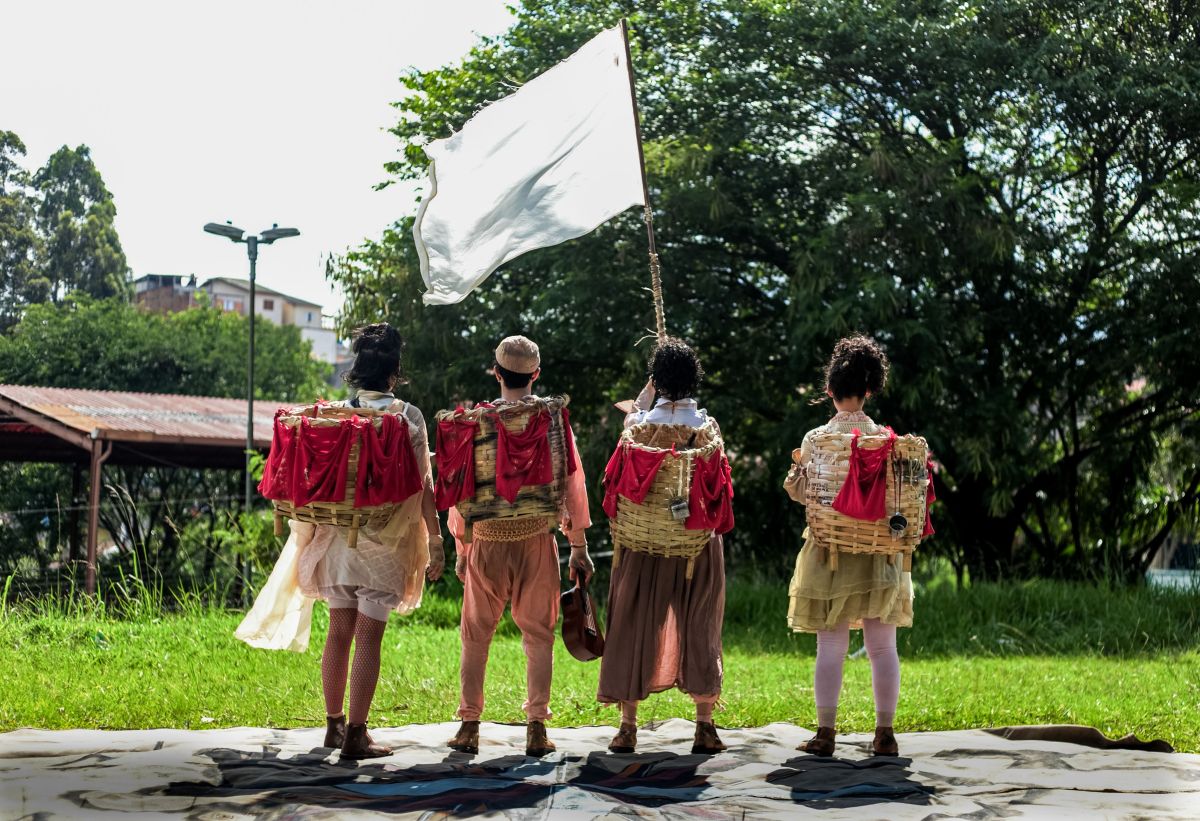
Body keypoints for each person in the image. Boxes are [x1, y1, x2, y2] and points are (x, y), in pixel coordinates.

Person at [295, 323, 445, 759]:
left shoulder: (338, 413)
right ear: (395, 370)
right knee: (369, 637)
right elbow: (423, 484)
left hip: (338, 540)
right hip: (384, 542)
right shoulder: (406, 416)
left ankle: (333, 727)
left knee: (338, 632)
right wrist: (434, 538)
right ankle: (358, 735)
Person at [445, 335, 594, 758]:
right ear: (536, 375)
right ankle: (536, 728)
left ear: (496, 374)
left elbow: (461, 486)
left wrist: (460, 546)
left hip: (486, 542)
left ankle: (470, 725)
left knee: (475, 635)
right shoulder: (552, 419)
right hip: (536, 539)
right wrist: (577, 545)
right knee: (539, 635)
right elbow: (573, 481)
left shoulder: (476, 421)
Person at [598, 337, 730, 755]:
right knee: (700, 623)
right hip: (695, 546)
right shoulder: (706, 429)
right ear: (695, 381)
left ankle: (628, 727)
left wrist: (644, 398)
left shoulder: (637, 428)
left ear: (656, 380)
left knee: (633, 624)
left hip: (642, 544)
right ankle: (705, 726)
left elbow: (616, 481)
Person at [783, 334, 910, 757]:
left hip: (830, 555)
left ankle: (825, 733)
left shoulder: (817, 439)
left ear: (829, 390)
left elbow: (805, 494)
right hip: (878, 555)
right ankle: (885, 733)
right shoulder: (886, 443)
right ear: (870, 389)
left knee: (831, 646)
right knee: (881, 646)